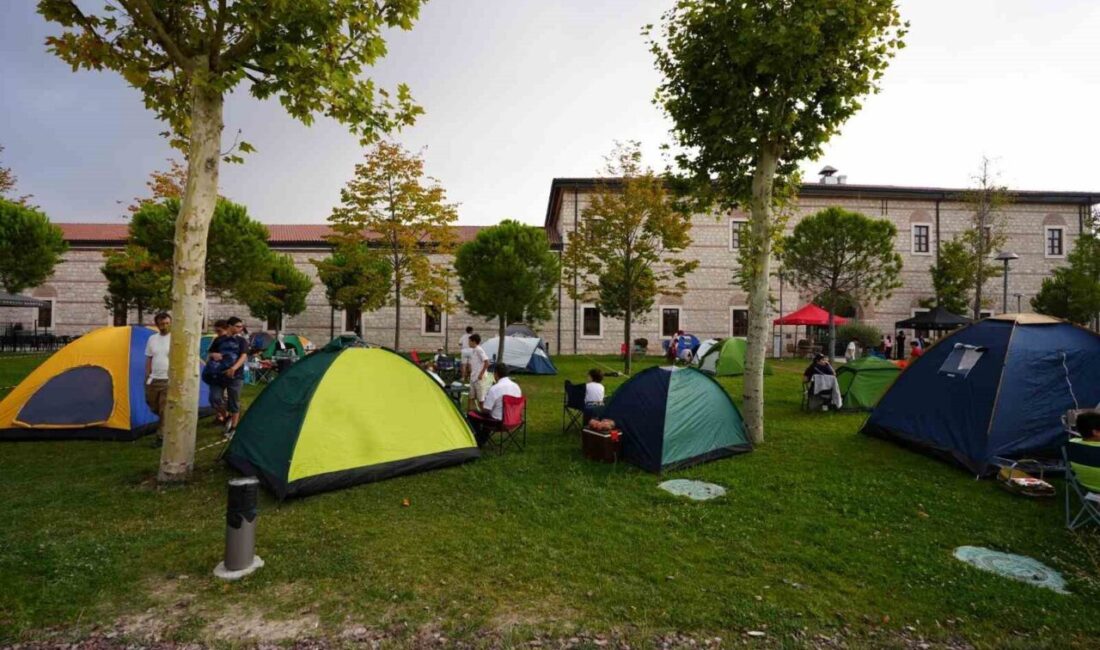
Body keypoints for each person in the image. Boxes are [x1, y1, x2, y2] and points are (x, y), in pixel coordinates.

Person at [467, 364, 522, 446]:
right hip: (515, 420)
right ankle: (482, 439)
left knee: (472, 414)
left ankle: (480, 439)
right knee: (491, 414)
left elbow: (486, 410)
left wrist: (482, 403)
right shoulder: (516, 387)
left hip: (498, 423)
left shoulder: (495, 388)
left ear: (496, 374)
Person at [144, 312, 172, 447]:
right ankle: (166, 426)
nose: (165, 326)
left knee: (164, 410)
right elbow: (149, 357)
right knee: (153, 405)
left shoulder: (175, 339)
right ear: (157, 325)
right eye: (162, 324)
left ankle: (161, 436)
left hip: (168, 379)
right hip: (153, 379)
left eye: (167, 323)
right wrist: (148, 374)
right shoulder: (152, 339)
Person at [223, 317, 250, 434]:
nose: (241, 329)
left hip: (236, 375)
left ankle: (234, 426)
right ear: (230, 326)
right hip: (220, 375)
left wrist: (234, 368)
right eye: (238, 326)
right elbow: (212, 353)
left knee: (234, 399)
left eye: (241, 327)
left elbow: (243, 356)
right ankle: (227, 416)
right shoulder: (220, 340)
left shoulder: (242, 341)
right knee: (215, 398)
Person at [467, 333, 490, 411]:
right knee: (471, 397)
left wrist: (481, 374)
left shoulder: (479, 350)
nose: (468, 343)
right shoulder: (473, 350)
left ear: (474, 342)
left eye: (469, 341)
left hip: (479, 379)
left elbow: (487, 362)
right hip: (473, 377)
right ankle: (469, 413)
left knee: (481, 399)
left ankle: (483, 415)